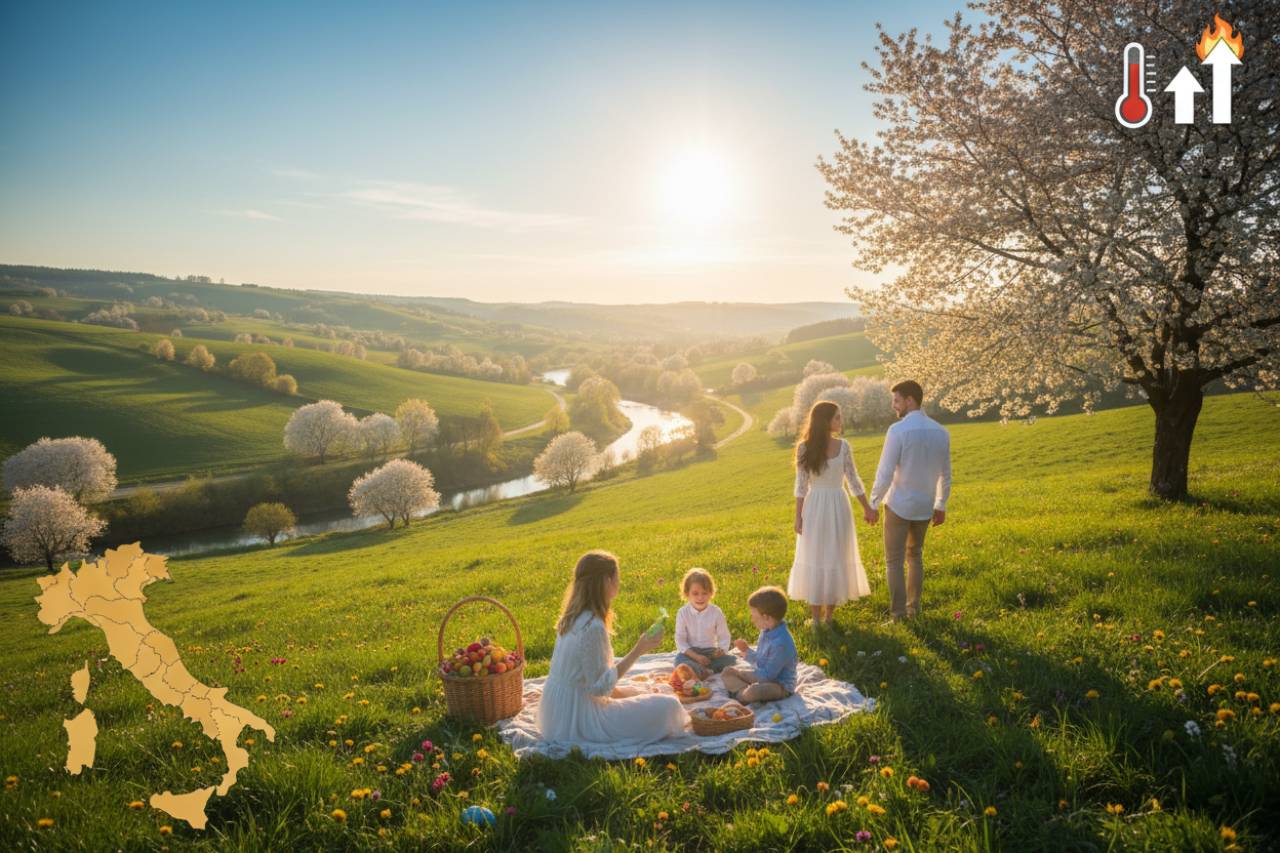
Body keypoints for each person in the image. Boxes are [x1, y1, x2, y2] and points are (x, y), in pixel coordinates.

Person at [536, 550, 687, 748]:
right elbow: (599, 689)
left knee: (643, 690)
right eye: (617, 577)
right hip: (579, 720)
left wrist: (635, 693)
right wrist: (638, 650)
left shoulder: (572, 617)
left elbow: (593, 679)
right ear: (607, 581)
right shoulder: (593, 626)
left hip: (555, 713)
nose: (619, 582)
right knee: (669, 706)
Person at [868, 380, 952, 621]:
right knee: (915, 557)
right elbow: (946, 474)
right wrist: (940, 504)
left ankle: (898, 614)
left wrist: (873, 503)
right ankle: (913, 609)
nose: (894, 406)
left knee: (894, 561)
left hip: (899, 505)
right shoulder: (941, 431)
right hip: (925, 506)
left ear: (909, 400)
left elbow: (885, 472)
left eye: (896, 400)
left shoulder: (898, 431)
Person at [788, 401, 874, 627]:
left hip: (838, 505)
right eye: (837, 417)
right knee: (816, 556)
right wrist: (798, 517)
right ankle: (816, 618)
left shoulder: (844, 446)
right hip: (814, 505)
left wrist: (867, 507)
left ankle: (828, 617)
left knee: (836, 554)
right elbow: (801, 486)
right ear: (826, 421)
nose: (840, 421)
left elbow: (853, 480)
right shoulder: (804, 448)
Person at [722, 586, 798, 703]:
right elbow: (761, 660)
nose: (752, 620)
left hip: (779, 686)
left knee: (755, 691)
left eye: (754, 616)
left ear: (766, 618)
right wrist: (747, 650)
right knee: (727, 672)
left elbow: (768, 676)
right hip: (762, 676)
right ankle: (742, 692)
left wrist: (748, 676)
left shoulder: (782, 643)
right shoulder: (766, 631)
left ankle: (741, 694)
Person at [673, 567, 735, 679]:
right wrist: (696, 657)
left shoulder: (716, 612)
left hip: (710, 652)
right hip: (690, 653)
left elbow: (724, 635)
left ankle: (703, 671)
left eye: (704, 593)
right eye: (695, 593)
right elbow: (680, 640)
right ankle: (702, 670)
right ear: (687, 594)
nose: (700, 597)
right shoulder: (682, 613)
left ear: (711, 593)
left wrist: (721, 650)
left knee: (731, 660)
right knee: (679, 661)